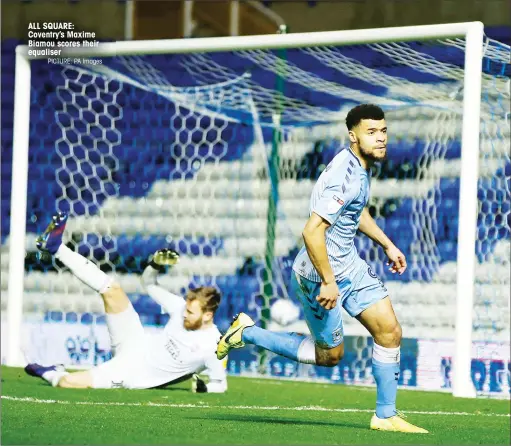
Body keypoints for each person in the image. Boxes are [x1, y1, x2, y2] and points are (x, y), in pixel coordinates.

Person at [216, 104, 428, 433]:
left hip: (350, 266)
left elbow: (355, 211)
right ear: (353, 136)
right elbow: (311, 231)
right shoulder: (345, 176)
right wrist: (329, 282)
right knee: (330, 357)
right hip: (319, 275)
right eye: (371, 132)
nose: (381, 138)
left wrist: (386, 243)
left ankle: (385, 416)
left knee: (389, 332)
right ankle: (247, 333)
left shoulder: (359, 167)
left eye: (383, 131)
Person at [25, 212, 227, 393]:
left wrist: (204, 388)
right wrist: (154, 265)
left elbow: (220, 384)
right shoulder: (180, 307)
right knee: (112, 290)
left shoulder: (214, 345)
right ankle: (56, 248)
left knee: (67, 382)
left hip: (133, 372)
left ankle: (51, 372)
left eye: (191, 313)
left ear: (207, 315)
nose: (184, 313)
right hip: (135, 340)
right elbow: (148, 284)